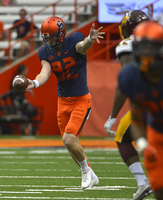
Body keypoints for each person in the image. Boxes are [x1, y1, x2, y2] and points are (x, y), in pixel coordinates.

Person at [20, 16, 104, 189]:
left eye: (51, 35)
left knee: (68, 140)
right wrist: (33, 83)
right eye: (46, 36)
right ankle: (91, 173)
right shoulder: (45, 52)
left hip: (81, 100)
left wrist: (89, 39)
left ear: (61, 33)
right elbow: (44, 73)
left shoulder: (74, 40)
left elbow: (81, 47)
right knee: (70, 144)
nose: (48, 39)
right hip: (63, 102)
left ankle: (86, 171)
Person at [104, 10, 152, 200]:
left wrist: (112, 116)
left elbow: (125, 83)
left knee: (123, 138)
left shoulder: (128, 44)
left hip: (151, 101)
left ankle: (142, 182)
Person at [118, 20, 163, 200]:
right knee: (159, 190)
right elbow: (136, 117)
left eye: (149, 48)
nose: (144, 54)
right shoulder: (130, 76)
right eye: (140, 48)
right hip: (156, 131)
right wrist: (144, 145)